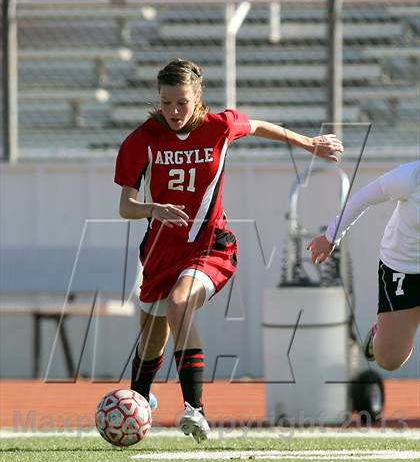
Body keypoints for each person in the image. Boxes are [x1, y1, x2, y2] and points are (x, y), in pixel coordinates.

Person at [114, 58, 343, 442]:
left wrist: (308, 143)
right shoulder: (142, 140)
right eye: (166, 102)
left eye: (181, 102)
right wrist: (153, 208)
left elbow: (258, 125)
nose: (173, 111)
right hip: (159, 252)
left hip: (210, 248)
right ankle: (138, 401)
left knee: (179, 305)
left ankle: (195, 410)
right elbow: (125, 206)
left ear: (197, 96)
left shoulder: (219, 127)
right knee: (151, 339)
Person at [307, 160, 420, 372]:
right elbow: (364, 198)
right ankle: (383, 331)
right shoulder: (410, 177)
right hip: (402, 267)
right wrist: (331, 237)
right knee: (390, 358)